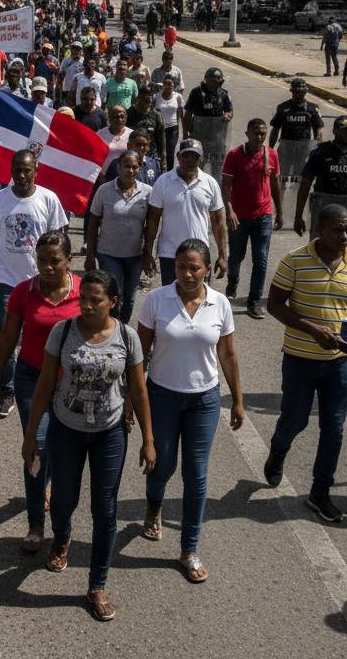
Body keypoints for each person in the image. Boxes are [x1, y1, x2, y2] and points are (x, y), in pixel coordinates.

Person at [21, 269, 154, 621]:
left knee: (104, 510)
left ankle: (97, 584)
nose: (88, 306)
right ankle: (61, 537)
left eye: (97, 300)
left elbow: (139, 391)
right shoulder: (62, 332)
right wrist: (31, 435)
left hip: (110, 434)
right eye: (84, 299)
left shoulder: (127, 337)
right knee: (64, 501)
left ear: (113, 302)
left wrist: (148, 440)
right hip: (66, 430)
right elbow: (46, 383)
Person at [137, 238, 243, 582]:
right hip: (162, 397)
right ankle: (154, 506)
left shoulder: (220, 304)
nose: (186, 273)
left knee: (196, 476)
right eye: (181, 266)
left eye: (194, 267)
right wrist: (131, 400)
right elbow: (138, 354)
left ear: (207, 269)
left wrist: (237, 400)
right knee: (161, 466)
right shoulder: (156, 300)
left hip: (204, 401)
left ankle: (189, 549)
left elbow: (227, 354)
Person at [265, 205, 347, 522]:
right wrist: (311, 329)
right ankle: (279, 448)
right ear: (319, 229)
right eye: (338, 230)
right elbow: (274, 304)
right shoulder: (295, 261)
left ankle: (320, 492)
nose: (345, 236)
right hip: (300, 360)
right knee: (295, 420)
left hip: (339, 363)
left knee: (334, 429)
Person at [0, 229, 81, 551]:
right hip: (30, 377)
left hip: (71, 383)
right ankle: (35, 524)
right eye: (41, 260)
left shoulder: (85, 294)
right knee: (37, 442)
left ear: (69, 260)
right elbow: (7, 339)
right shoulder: (23, 292)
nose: (47, 267)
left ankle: (49, 482)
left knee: (58, 443)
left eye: (55, 261)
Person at [0, 150, 68, 418]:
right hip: (7, 283)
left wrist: (61, 278)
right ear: (11, 171)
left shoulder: (49, 200)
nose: (22, 175)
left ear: (36, 170)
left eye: (27, 170)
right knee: (7, 336)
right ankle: (8, 389)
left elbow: (60, 242)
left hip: (43, 282)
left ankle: (51, 382)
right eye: (17, 170)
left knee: (48, 335)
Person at [143, 138, 228, 285]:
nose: (190, 160)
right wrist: (148, 252)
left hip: (199, 254)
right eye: (186, 156)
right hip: (170, 255)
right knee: (172, 300)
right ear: (178, 156)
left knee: (198, 303)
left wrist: (222, 255)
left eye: (194, 157)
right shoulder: (163, 182)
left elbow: (218, 221)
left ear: (200, 159)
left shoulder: (210, 183)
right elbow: (152, 219)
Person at [221, 119, 283, 319]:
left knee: (261, 259)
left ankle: (254, 301)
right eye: (256, 133)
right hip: (239, 217)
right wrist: (229, 210)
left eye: (263, 133)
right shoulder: (234, 155)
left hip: (263, 215)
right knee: (236, 256)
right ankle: (233, 280)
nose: (259, 137)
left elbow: (275, 185)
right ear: (247, 133)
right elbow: (226, 187)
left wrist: (279, 212)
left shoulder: (271, 155)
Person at [86, 151, 151, 323]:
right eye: (126, 166)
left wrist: (148, 254)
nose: (130, 170)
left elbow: (151, 226)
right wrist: (90, 255)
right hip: (108, 254)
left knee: (130, 298)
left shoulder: (147, 193)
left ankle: (123, 330)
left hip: (135, 256)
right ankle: (109, 330)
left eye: (134, 167)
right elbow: (93, 224)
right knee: (115, 295)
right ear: (118, 167)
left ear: (139, 168)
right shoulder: (104, 190)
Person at [293, 116, 347, 237]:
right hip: (322, 208)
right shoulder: (319, 153)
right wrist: (298, 217)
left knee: (346, 245)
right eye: (345, 130)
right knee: (319, 243)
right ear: (335, 131)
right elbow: (305, 185)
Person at [268, 78, 323, 149]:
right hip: (286, 149)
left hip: (304, 149)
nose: (301, 94)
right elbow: (275, 129)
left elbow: (318, 132)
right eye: (298, 92)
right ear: (292, 91)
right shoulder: (283, 108)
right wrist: (270, 149)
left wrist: (319, 150)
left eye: (303, 92)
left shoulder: (312, 109)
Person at [183, 67, 233, 135]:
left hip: (216, 133)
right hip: (198, 131)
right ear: (206, 79)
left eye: (219, 83)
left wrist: (228, 115)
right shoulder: (196, 92)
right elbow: (188, 113)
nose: (216, 85)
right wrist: (185, 132)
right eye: (214, 82)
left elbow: (229, 110)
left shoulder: (223, 94)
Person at [126, 87, 165, 172]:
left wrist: (163, 158)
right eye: (144, 100)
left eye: (149, 101)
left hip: (151, 154)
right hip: (133, 153)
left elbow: (161, 138)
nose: (146, 104)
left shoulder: (156, 115)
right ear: (138, 99)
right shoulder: (129, 113)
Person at [155, 75, 185, 168]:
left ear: (173, 85)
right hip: (159, 127)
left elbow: (181, 113)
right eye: (166, 84)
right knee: (159, 151)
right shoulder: (157, 96)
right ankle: (159, 172)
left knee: (170, 152)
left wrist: (185, 130)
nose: (168, 86)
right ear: (163, 84)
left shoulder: (177, 96)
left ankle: (170, 172)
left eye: (170, 84)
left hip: (172, 128)